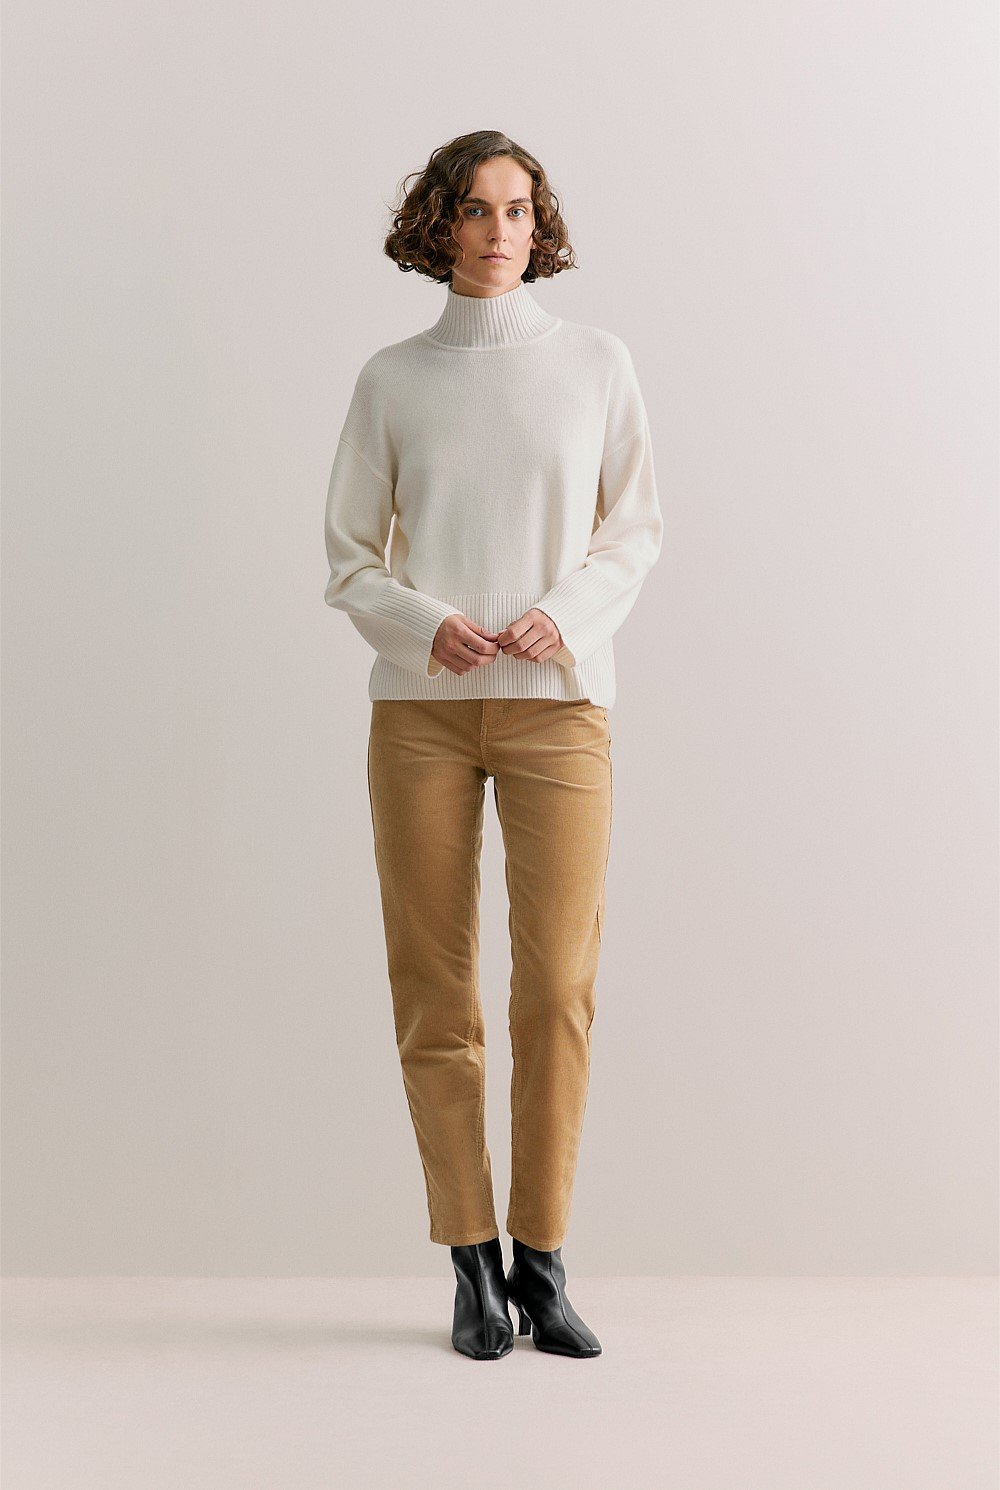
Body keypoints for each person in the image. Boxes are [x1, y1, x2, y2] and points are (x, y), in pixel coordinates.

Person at [323, 130, 663, 1360]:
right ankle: (470, 1257)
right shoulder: (392, 380)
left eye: (518, 209)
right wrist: (427, 624)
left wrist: (560, 616)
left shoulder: (596, 364)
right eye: (474, 209)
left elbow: (634, 530)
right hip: (419, 714)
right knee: (434, 988)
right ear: (438, 225)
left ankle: (543, 1257)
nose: (499, 230)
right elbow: (347, 558)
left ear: (540, 224)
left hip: (559, 707)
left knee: (558, 986)